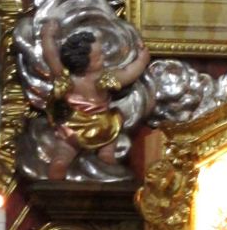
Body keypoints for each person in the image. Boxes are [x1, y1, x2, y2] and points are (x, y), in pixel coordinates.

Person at [40, 20, 149, 180]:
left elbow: (51, 56)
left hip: (72, 126)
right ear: (87, 64)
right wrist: (142, 59)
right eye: (99, 57)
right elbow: (129, 73)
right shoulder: (102, 79)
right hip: (101, 126)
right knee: (114, 125)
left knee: (65, 147)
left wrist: (47, 36)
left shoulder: (66, 78)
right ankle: (106, 154)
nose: (104, 56)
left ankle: (60, 161)